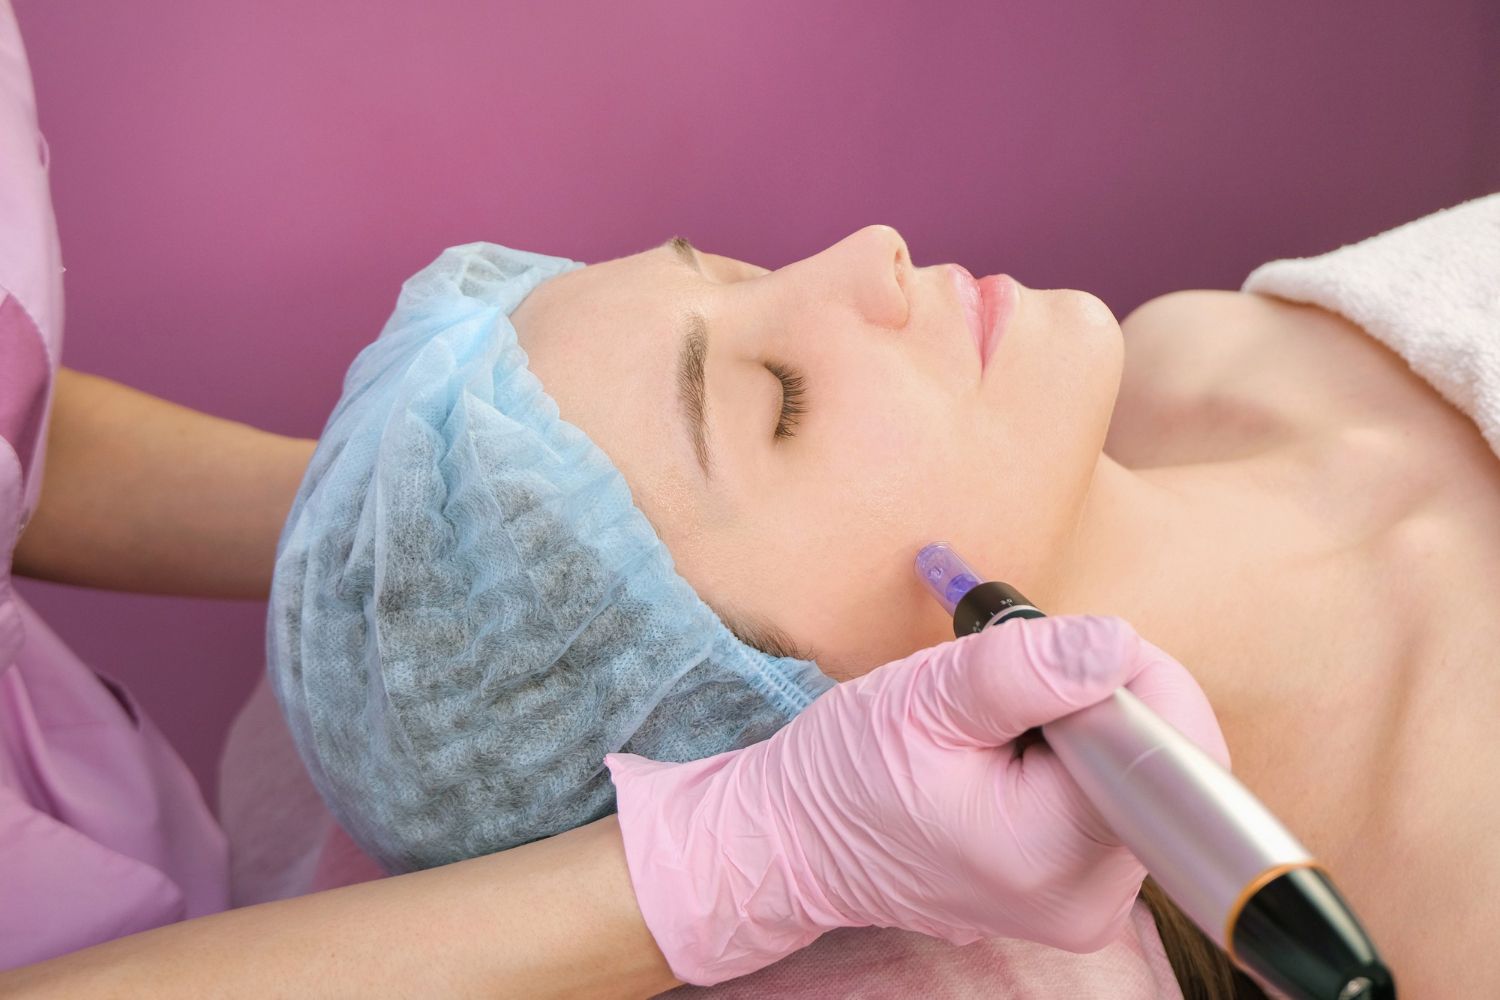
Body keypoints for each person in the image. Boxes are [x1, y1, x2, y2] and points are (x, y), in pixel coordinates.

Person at [0, 5, 1232, 997]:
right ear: (763, 735)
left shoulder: (1253, 360)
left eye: (742, 273)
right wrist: (751, 845)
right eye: (781, 404)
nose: (873, 249)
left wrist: (430, 571)